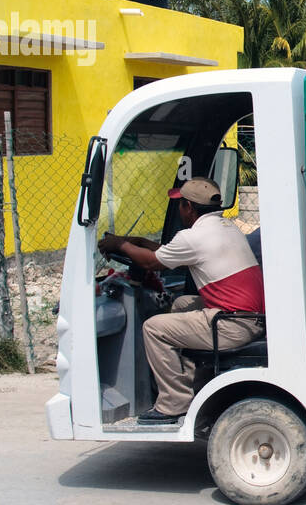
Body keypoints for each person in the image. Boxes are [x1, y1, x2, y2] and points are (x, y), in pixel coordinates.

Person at [98, 177, 265, 425]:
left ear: (188, 207)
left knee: (154, 328)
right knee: (181, 304)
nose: (179, 209)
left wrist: (120, 244)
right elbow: (165, 251)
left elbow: (150, 262)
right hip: (251, 317)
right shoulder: (224, 227)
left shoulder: (193, 237)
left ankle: (173, 402)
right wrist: (136, 242)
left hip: (233, 324)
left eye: (180, 204)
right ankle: (193, 381)